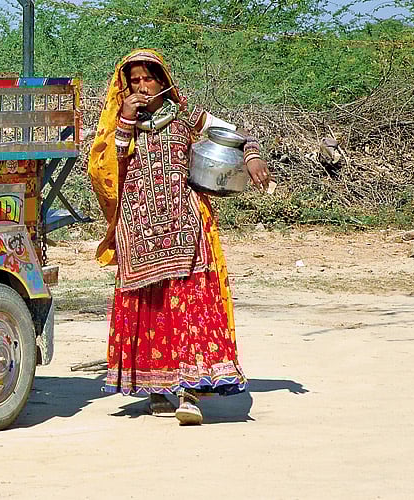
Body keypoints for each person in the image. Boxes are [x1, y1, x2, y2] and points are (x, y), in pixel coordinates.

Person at [87, 49, 273, 425]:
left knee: (190, 308)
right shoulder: (119, 125)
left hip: (186, 226)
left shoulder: (189, 118)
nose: (142, 87)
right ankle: (156, 389)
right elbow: (109, 164)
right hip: (138, 232)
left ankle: (190, 393)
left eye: (148, 79)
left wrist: (252, 157)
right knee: (151, 309)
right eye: (134, 81)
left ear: (163, 80)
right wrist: (125, 120)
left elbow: (239, 136)